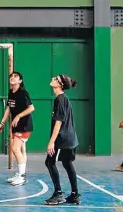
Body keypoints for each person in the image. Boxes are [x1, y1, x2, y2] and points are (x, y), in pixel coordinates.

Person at [44, 74, 81, 206]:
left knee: (50, 162)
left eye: (56, 79)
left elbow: (59, 122)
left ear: (60, 85)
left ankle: (58, 193)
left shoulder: (60, 99)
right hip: (71, 139)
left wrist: (51, 142)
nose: (53, 78)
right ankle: (75, 194)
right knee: (67, 163)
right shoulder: (63, 99)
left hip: (63, 139)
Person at [0, 71, 34, 186]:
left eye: (15, 77)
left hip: (24, 125)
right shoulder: (11, 92)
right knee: (21, 150)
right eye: (11, 76)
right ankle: (20, 173)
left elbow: (31, 108)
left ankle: (22, 177)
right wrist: (2, 123)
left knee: (15, 148)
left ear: (20, 81)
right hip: (15, 126)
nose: (12, 78)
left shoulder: (23, 93)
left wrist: (18, 116)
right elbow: (9, 108)